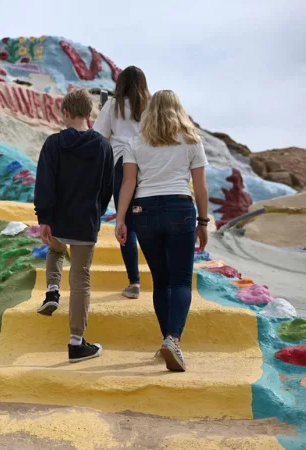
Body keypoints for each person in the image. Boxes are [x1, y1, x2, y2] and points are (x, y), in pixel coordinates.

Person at [115, 90, 209, 373]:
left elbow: (128, 184)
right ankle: (173, 339)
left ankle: (167, 340)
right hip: (180, 208)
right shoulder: (192, 140)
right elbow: (200, 187)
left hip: (143, 213)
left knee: (160, 282)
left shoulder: (135, 142)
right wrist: (203, 222)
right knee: (181, 281)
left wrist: (121, 219)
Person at [34, 89, 114, 363]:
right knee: (81, 279)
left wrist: (44, 218)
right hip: (85, 222)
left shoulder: (53, 144)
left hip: (58, 221)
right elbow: (107, 188)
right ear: (90, 114)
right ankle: (76, 342)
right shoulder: (104, 147)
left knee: (55, 252)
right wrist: (97, 213)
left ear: (65, 113)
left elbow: (44, 182)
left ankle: (52, 291)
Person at [92, 66, 150, 300]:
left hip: (120, 164)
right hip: (148, 163)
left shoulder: (112, 105)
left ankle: (134, 281)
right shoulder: (152, 106)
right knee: (147, 217)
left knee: (124, 220)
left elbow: (99, 137)